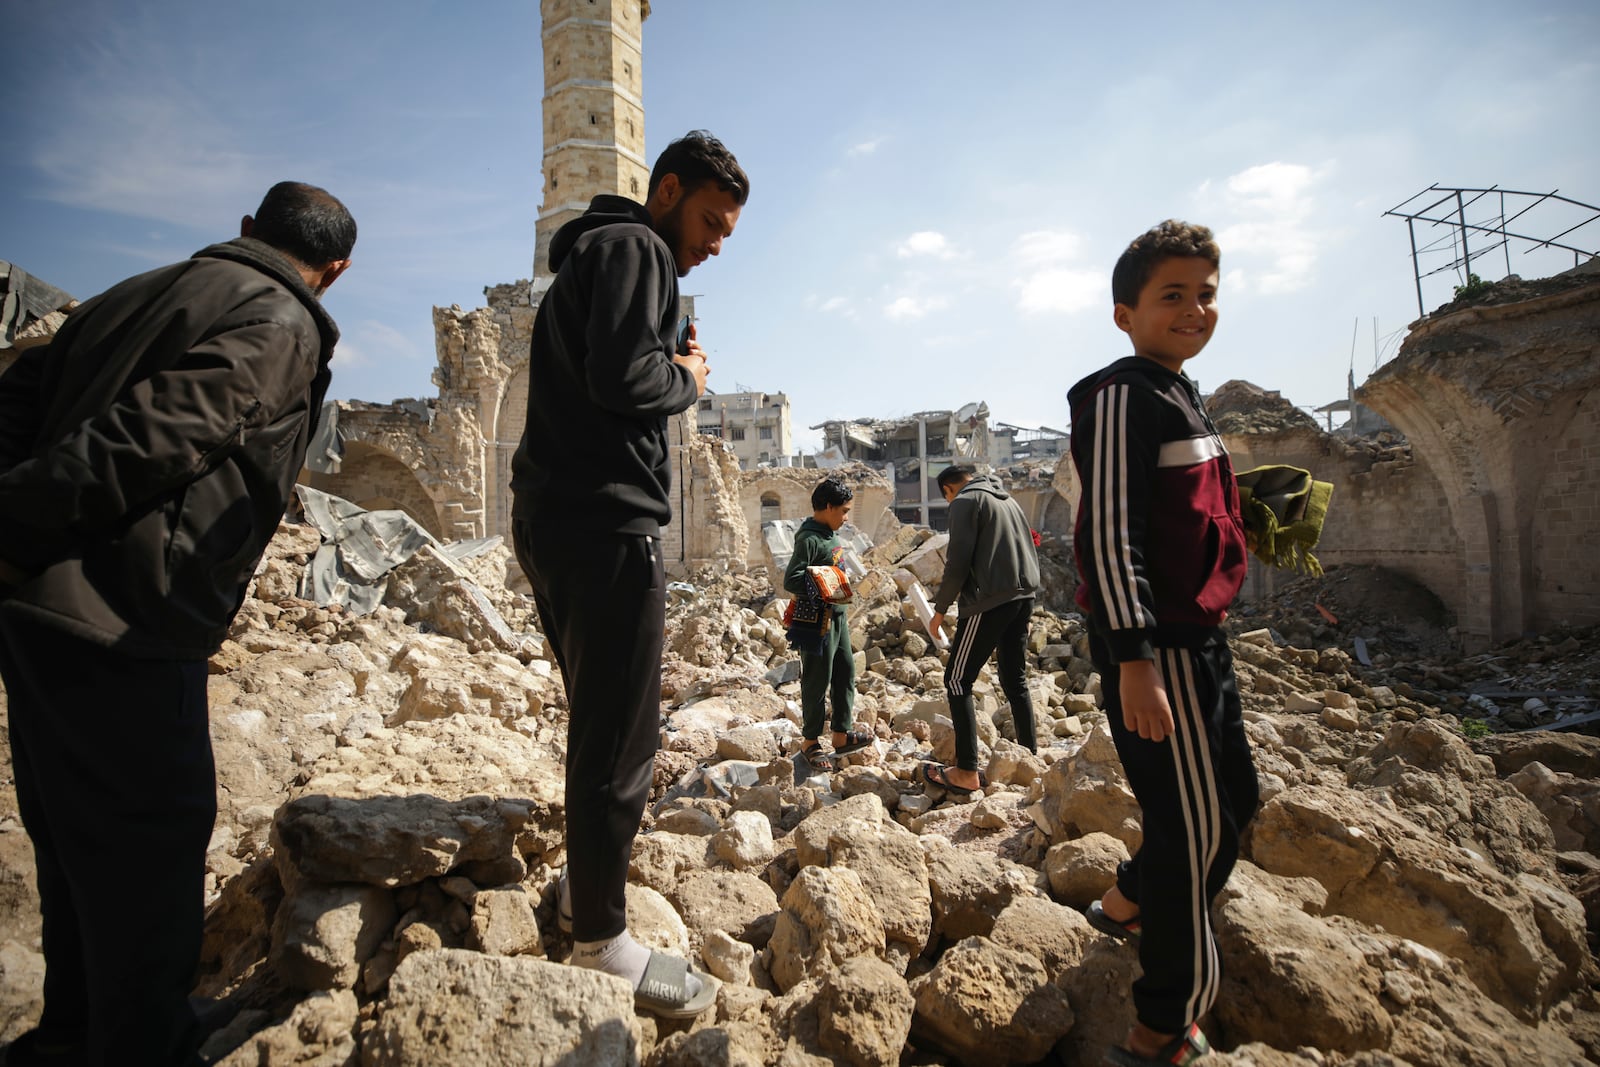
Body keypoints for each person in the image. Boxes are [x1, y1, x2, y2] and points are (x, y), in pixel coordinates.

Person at [0, 182, 355, 1066]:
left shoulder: (128, 293)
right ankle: (142, 1043)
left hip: (39, 611)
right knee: (154, 840)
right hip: (127, 613)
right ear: (336, 271)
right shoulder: (284, 318)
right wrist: (18, 524)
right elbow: (162, 434)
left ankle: (72, 1034)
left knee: (75, 839)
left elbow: (13, 405)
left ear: (243, 231)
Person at [509, 130, 746, 1019]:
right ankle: (603, 939)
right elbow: (627, 375)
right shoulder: (638, 248)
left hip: (562, 517)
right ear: (668, 189)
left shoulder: (599, 255)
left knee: (601, 722)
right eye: (712, 221)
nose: (715, 243)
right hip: (604, 523)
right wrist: (686, 374)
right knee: (622, 737)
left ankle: (583, 888)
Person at [1067, 220, 1259, 1067]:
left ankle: (1125, 901)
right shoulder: (1121, 395)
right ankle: (1163, 1022)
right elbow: (1110, 536)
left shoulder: (1183, 392)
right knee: (1193, 834)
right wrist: (1135, 660)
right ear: (1125, 313)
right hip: (1160, 653)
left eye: (1207, 293)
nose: (1195, 308)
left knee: (1234, 806)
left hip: (1203, 644)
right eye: (1172, 294)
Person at [920, 463, 1042, 796]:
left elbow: (958, 561)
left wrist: (940, 609)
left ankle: (967, 771)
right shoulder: (1007, 499)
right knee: (1014, 679)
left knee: (957, 680)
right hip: (1024, 595)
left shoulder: (964, 501)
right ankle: (1031, 760)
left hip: (989, 600)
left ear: (948, 490)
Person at [782, 476, 873, 772]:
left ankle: (841, 734)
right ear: (828, 507)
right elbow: (792, 579)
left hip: (838, 618)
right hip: (816, 623)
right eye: (843, 511)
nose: (846, 518)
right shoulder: (809, 538)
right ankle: (810, 741)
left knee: (845, 671)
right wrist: (826, 580)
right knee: (817, 679)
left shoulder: (829, 534)